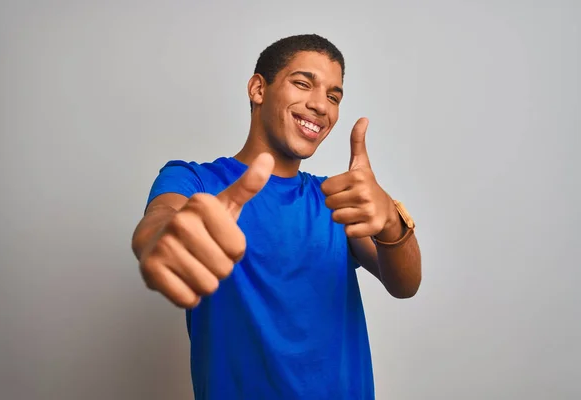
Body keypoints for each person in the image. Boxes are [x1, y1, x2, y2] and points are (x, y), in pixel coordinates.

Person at [131, 33, 421, 400]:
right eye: (303, 84)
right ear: (258, 89)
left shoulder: (335, 198)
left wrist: (392, 222)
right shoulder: (194, 179)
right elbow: (160, 219)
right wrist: (165, 239)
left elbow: (405, 284)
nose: (321, 105)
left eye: (334, 96)